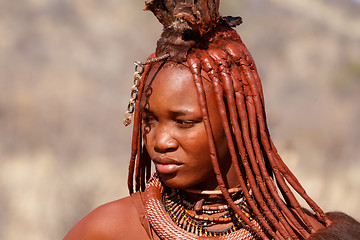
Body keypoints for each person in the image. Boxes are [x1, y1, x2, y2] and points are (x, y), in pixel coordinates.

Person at [64, 0, 360, 239]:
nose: (159, 141)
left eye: (184, 122)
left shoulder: (304, 234)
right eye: (149, 120)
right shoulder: (107, 230)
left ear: (235, 120)